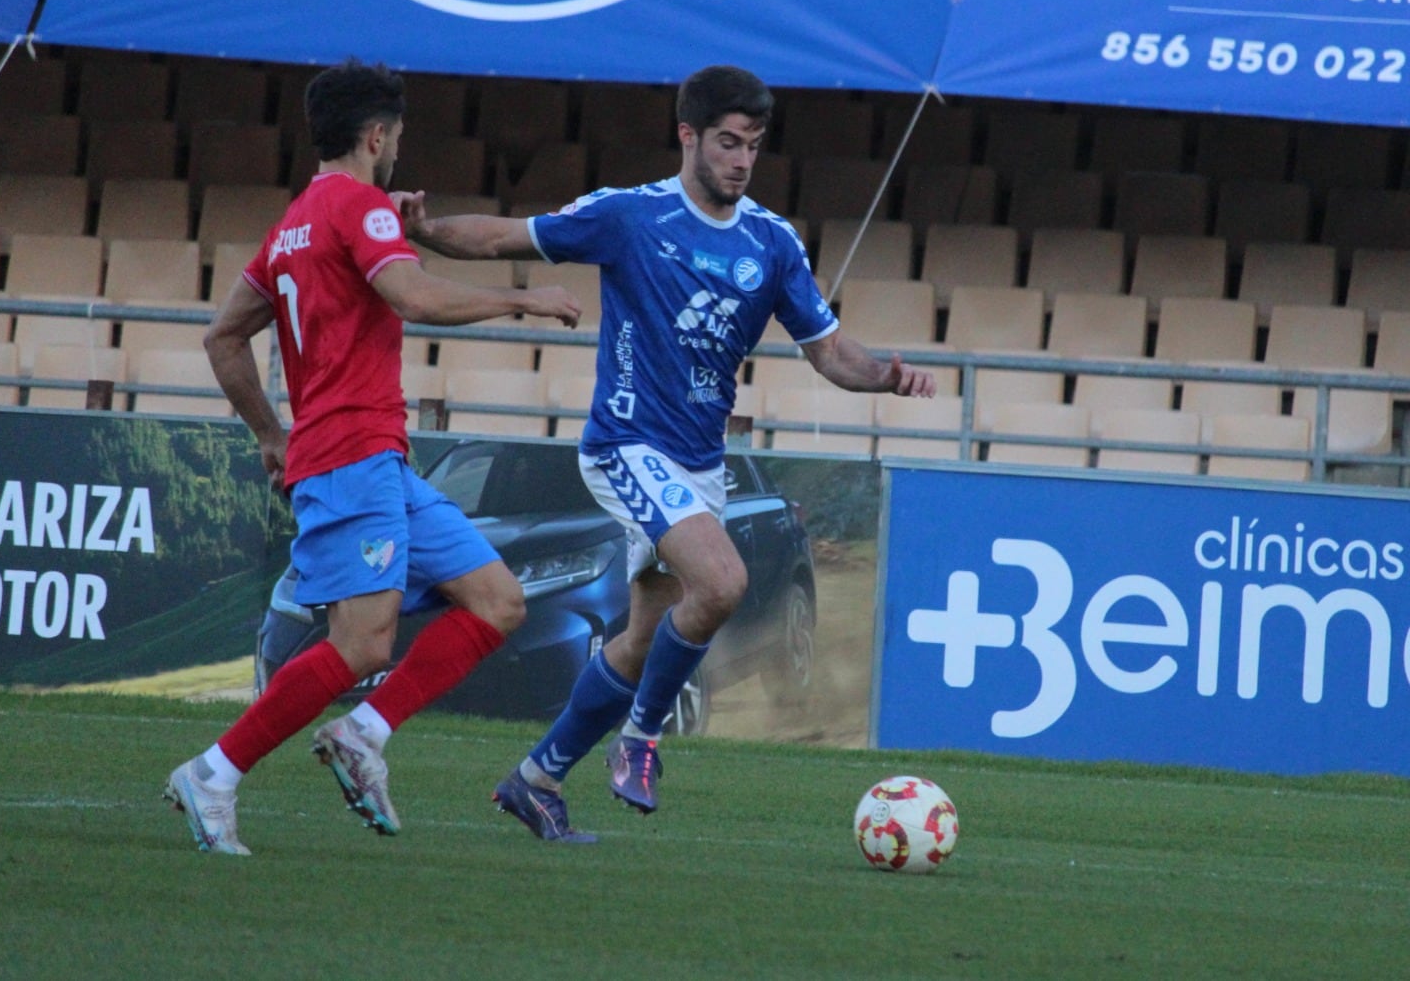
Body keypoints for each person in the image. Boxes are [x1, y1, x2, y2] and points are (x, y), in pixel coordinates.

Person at [396, 65, 936, 843]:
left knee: (645, 636)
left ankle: (537, 779)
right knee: (722, 582)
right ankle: (641, 740)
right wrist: (428, 231)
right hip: (625, 445)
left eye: (752, 144)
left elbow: (830, 354)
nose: (742, 160)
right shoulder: (630, 216)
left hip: (698, 465)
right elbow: (511, 234)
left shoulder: (771, 242)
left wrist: (887, 374)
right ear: (687, 136)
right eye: (727, 142)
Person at [163, 59, 582, 855]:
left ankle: (362, 734)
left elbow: (223, 337)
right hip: (350, 457)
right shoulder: (359, 207)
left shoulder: (295, 221)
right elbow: (415, 297)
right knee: (362, 644)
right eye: (397, 138)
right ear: (378, 135)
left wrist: (270, 434)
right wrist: (522, 297)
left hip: (374, 459)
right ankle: (214, 772)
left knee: (497, 601)